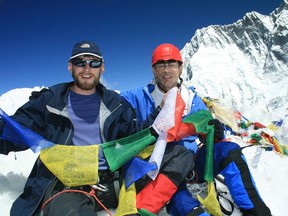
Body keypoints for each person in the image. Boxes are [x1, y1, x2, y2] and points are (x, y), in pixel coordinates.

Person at [0, 40, 194, 216]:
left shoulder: (115, 102)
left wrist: (158, 114)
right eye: (80, 62)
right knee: (68, 211)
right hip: (71, 186)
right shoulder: (50, 102)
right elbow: (14, 132)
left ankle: (140, 207)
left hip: (114, 179)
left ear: (102, 68)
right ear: (70, 67)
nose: (87, 68)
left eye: (93, 63)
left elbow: (135, 136)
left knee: (180, 155)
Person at [121, 43, 272, 216]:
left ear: (180, 68)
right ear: (153, 70)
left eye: (171, 64)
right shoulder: (138, 97)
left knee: (229, 151)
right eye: (161, 65)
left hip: (193, 166)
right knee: (187, 205)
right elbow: (109, 104)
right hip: (161, 173)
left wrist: (215, 131)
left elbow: (207, 129)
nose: (166, 70)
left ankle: (256, 212)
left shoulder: (192, 99)